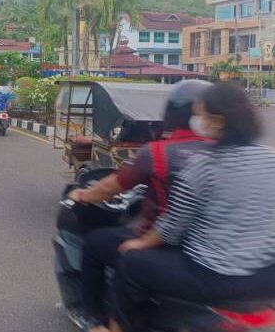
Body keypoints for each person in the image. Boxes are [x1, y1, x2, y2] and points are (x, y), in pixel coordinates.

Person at [107, 82, 275, 332]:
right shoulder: (270, 158)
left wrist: (139, 244)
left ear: (218, 121)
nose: (197, 121)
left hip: (213, 276)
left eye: (200, 115)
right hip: (265, 278)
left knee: (129, 263)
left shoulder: (203, 165)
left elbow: (173, 226)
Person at [64, 80, 213, 330]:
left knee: (94, 244)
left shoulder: (157, 152)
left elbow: (112, 186)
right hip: (209, 250)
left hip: (162, 242)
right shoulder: (226, 152)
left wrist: (82, 195)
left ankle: (92, 315)